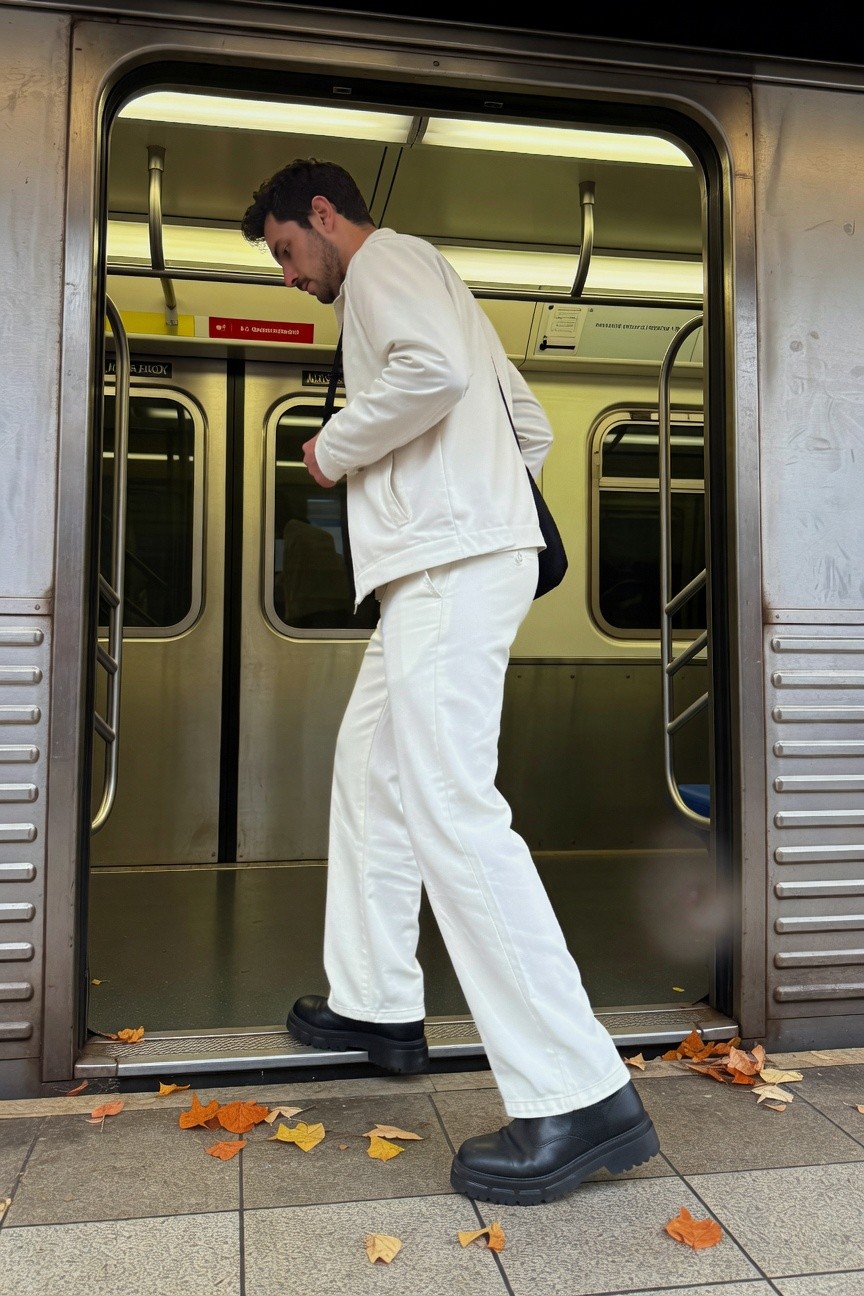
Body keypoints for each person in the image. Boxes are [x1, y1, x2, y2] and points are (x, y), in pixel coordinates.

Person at [241, 158, 659, 1206]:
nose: (291, 273)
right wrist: (471, 500)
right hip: (437, 569)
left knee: (451, 808)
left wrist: (334, 451)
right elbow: (530, 429)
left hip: (448, 571)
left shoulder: (385, 269)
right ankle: (377, 999)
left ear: (325, 216)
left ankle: (579, 1091)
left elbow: (432, 376)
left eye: (289, 250)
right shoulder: (434, 282)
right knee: (372, 775)